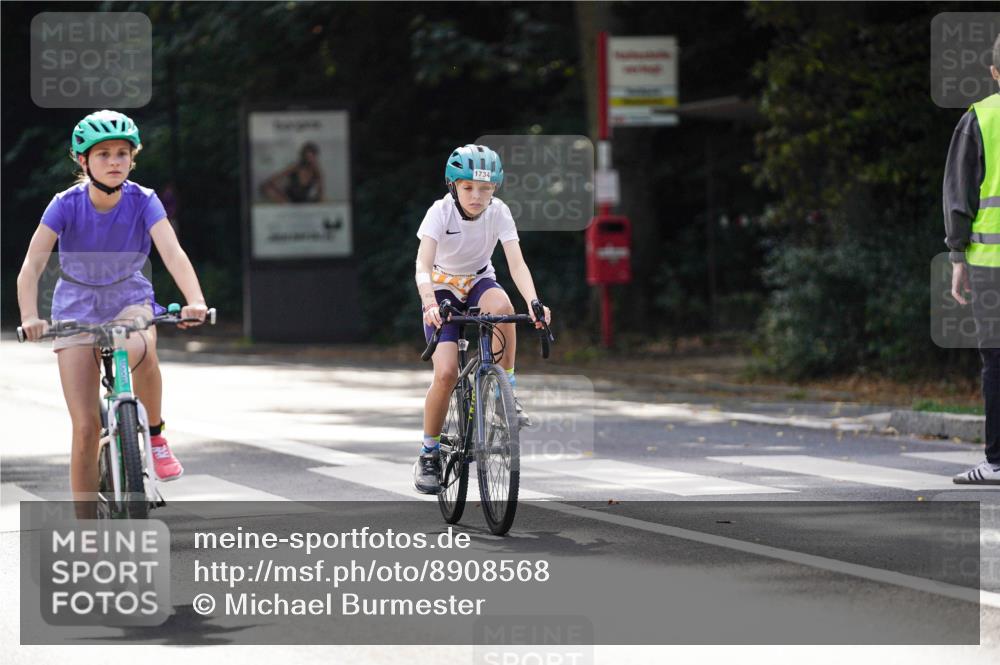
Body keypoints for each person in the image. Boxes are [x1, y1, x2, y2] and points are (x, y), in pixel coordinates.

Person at [16, 109, 209, 505]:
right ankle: (86, 531)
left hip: (128, 299)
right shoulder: (64, 204)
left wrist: (196, 302)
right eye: (103, 154)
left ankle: (154, 435)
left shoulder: (144, 201)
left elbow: (172, 253)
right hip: (76, 308)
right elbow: (32, 266)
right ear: (83, 161)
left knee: (141, 343)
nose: (115, 161)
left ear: (133, 158)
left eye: (123, 153)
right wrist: (30, 317)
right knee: (85, 429)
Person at [412, 143, 551, 494]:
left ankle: (508, 392)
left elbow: (516, 264)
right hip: (442, 287)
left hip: (478, 280)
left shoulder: (499, 212)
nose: (477, 196)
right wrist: (429, 302)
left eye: (485, 189)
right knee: (445, 373)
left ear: (495, 189)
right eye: (468, 187)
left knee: (503, 305)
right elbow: (422, 265)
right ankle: (429, 453)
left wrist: (534, 302)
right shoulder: (439, 212)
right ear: (453, 186)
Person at [945, 33, 1000, 485]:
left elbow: (959, 196)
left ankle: (997, 462)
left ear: (995, 73)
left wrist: (957, 256)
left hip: (991, 263)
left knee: (997, 360)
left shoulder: (980, 117)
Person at [260, 142, 324, 203]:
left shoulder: (317, 171)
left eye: (312, 157)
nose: (310, 160)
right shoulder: (296, 167)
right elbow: (272, 180)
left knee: (321, 200)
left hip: (304, 201)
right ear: (303, 156)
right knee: (266, 188)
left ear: (315, 157)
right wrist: (280, 196)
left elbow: (320, 192)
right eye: (307, 157)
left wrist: (317, 200)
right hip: (288, 199)